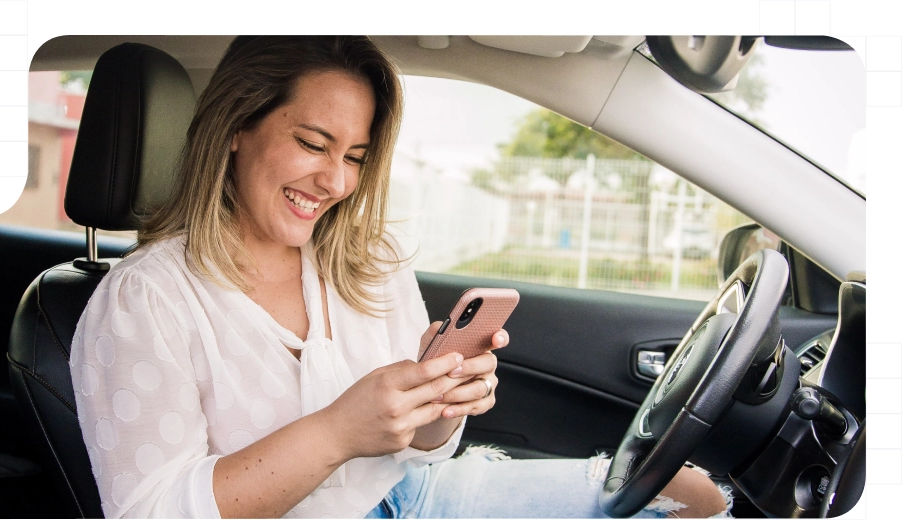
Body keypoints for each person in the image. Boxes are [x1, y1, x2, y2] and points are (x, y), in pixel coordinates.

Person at [69, 36, 730, 519]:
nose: (335, 182)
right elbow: (149, 512)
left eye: (354, 156)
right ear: (238, 126)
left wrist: (440, 407)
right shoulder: (144, 301)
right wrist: (334, 433)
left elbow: (422, 451)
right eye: (312, 143)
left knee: (688, 496)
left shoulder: (369, 258)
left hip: (415, 497)